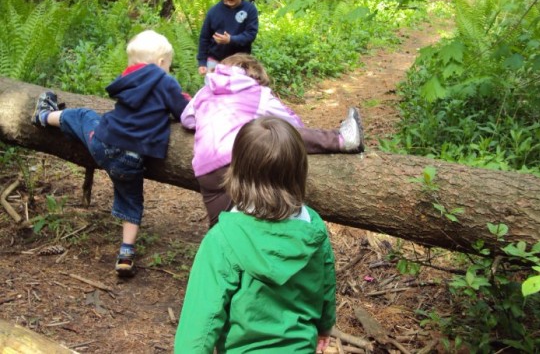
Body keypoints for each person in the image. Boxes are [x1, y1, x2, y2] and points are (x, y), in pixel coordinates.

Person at [31, 30, 190, 278]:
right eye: (168, 66)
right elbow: (182, 112)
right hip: (131, 159)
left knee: (82, 116)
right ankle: (126, 253)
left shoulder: (127, 79)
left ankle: (43, 116)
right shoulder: (166, 81)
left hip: (102, 144)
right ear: (161, 64)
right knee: (132, 202)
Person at [174, 116, 336, 353]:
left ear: (237, 170)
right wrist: (325, 326)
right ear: (300, 171)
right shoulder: (313, 227)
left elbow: (198, 326)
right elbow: (325, 285)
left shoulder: (223, 239)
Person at [181, 53, 364, 227]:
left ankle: (218, 257)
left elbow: (187, 119)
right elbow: (291, 124)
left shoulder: (205, 91)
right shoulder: (257, 93)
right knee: (277, 133)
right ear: (257, 76)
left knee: (219, 225)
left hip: (204, 169)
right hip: (240, 160)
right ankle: (341, 139)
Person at [197, 0, 258, 75]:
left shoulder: (249, 10)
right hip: (215, 60)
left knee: (237, 89)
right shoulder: (213, 12)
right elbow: (204, 38)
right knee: (215, 88)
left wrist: (231, 40)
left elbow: (250, 34)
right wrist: (202, 62)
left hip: (240, 61)